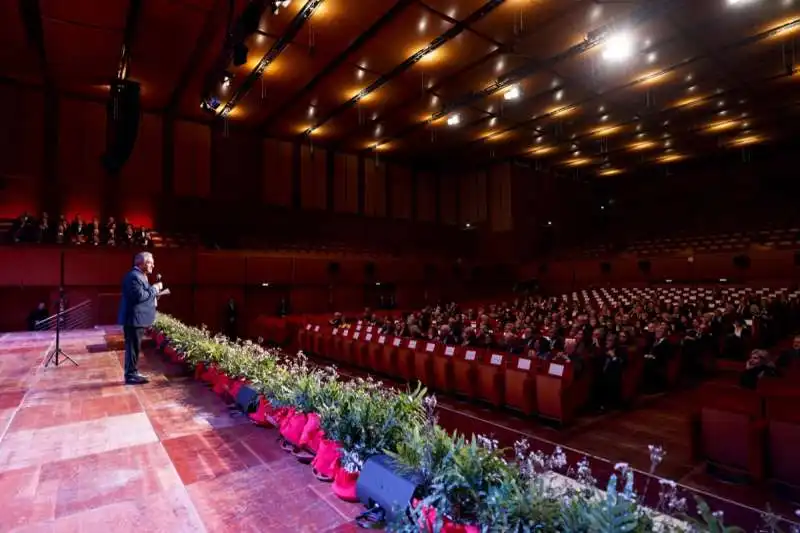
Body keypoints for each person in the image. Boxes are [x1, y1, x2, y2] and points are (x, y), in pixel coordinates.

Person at [118, 251, 162, 385]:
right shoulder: (133, 276)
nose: (153, 265)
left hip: (138, 319)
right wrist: (154, 289)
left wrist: (154, 293)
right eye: (150, 262)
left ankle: (133, 372)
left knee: (135, 348)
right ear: (141, 263)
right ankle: (130, 375)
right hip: (133, 320)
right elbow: (140, 296)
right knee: (132, 348)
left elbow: (144, 296)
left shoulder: (140, 276)